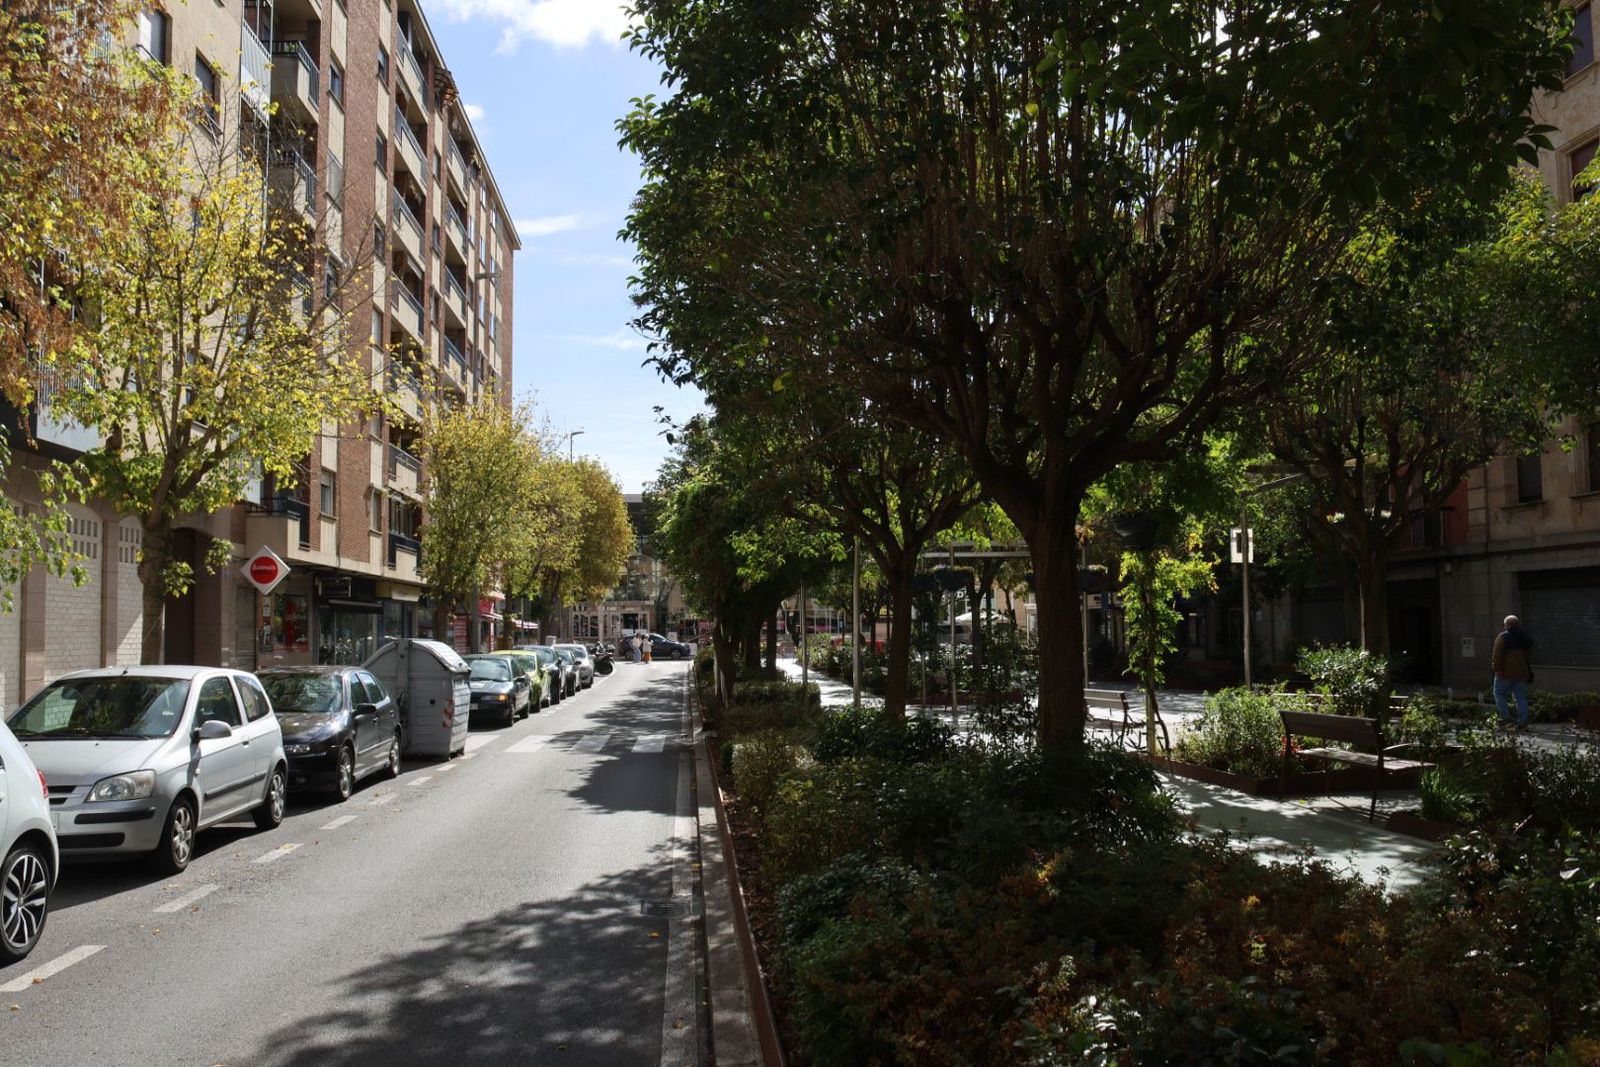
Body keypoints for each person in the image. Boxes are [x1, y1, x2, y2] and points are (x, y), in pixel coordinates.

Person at [1491, 614, 1534, 731]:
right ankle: (1523, 721)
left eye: (1505, 624)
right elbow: (1530, 655)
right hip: (1522, 673)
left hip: (1505, 673)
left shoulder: (1503, 637)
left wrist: (1496, 669)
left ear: (1508, 625)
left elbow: (1497, 655)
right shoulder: (1525, 637)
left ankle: (1505, 720)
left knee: (1499, 693)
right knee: (1520, 697)